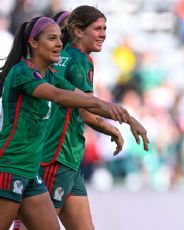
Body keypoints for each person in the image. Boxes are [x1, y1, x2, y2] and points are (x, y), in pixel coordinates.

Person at [13, 7, 149, 230]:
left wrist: (122, 121)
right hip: (59, 154)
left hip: (66, 157)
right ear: (77, 31)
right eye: (97, 28)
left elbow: (79, 101)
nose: (103, 33)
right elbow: (86, 111)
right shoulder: (79, 60)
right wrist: (116, 127)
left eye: (105, 28)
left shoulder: (61, 57)